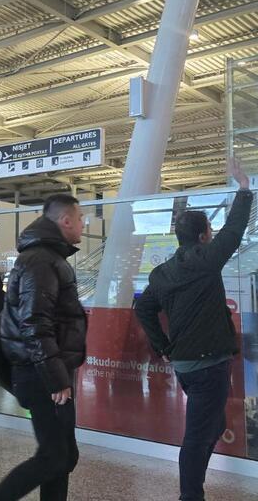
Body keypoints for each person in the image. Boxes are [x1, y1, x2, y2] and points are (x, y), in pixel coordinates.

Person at [134, 158, 252, 501]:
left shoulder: (162, 273)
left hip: (186, 365)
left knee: (213, 425)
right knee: (197, 438)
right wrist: (244, 189)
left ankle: (194, 480)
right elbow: (234, 232)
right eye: (210, 231)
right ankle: (190, 495)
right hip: (208, 365)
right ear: (203, 236)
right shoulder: (206, 260)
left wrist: (163, 346)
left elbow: (143, 308)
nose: (213, 235)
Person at [0, 193, 88, 501]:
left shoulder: (48, 257)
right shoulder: (41, 260)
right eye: (80, 218)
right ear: (65, 220)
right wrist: (56, 377)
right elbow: (34, 323)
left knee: (63, 455)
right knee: (55, 456)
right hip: (41, 373)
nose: (83, 224)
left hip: (47, 369)